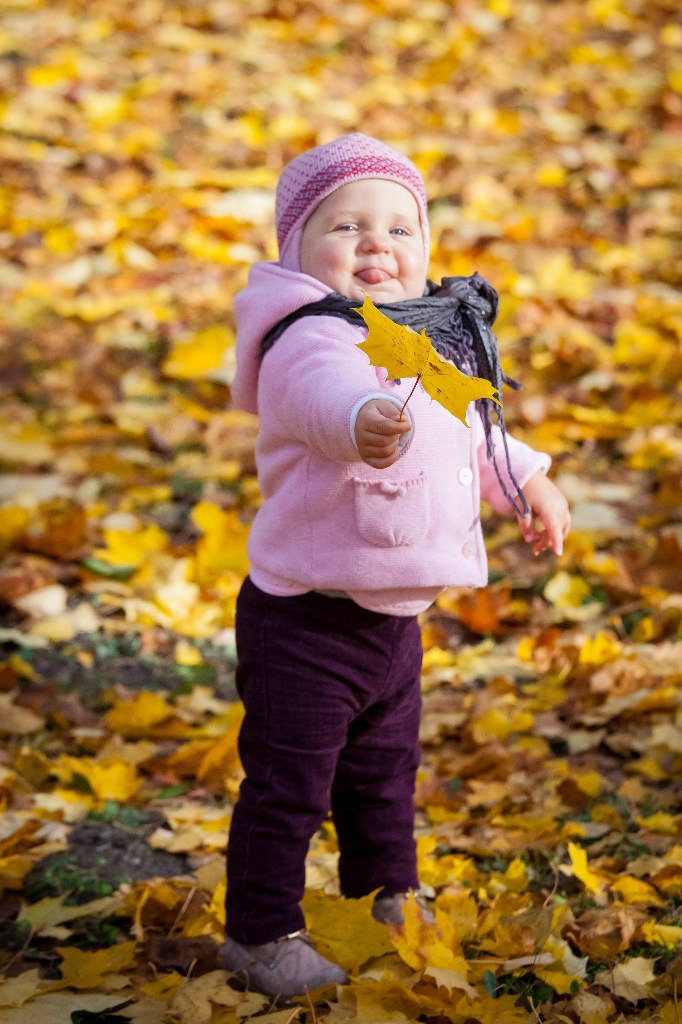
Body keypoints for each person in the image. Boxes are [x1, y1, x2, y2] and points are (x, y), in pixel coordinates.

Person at [221, 133, 570, 998]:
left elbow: (472, 426)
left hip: (392, 623)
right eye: (346, 226)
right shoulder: (311, 335)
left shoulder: (423, 340)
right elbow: (315, 397)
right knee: (290, 786)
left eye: (399, 229)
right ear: (297, 251)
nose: (377, 244)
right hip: (305, 621)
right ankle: (260, 935)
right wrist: (364, 413)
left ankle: (387, 895)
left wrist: (527, 478)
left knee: (384, 777)